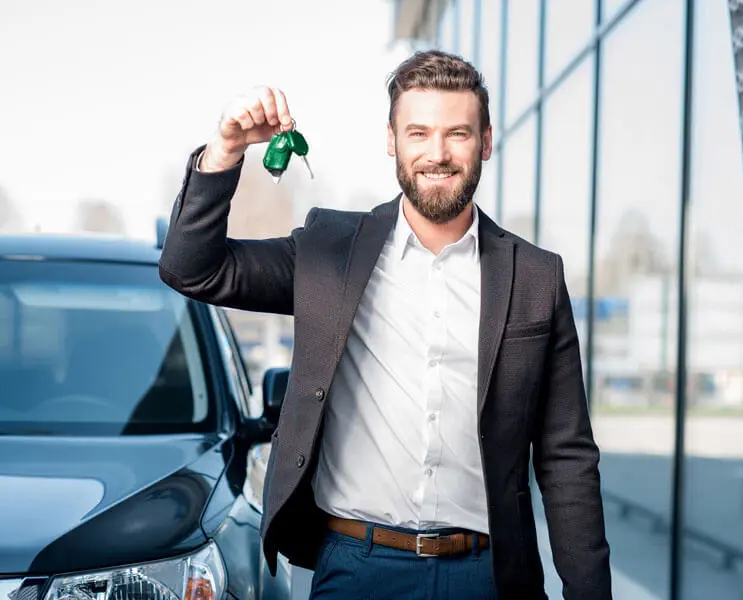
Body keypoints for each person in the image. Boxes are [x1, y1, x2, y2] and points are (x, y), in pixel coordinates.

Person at [159, 49, 611, 600]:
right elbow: (192, 269)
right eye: (418, 133)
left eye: (458, 134)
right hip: (357, 568)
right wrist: (226, 149)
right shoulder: (330, 252)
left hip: (489, 575)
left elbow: (567, 457)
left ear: (486, 142)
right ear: (392, 141)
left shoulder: (536, 277)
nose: (437, 154)